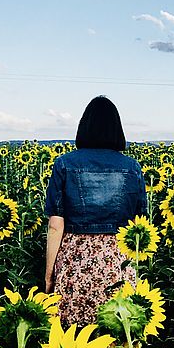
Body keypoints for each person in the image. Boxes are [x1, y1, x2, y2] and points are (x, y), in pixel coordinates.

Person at [44, 95, 147, 328]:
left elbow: (55, 225)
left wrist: (49, 273)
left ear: (84, 127)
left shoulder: (64, 163)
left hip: (76, 260)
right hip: (117, 259)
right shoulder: (132, 167)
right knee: (119, 332)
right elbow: (141, 222)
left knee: (74, 340)